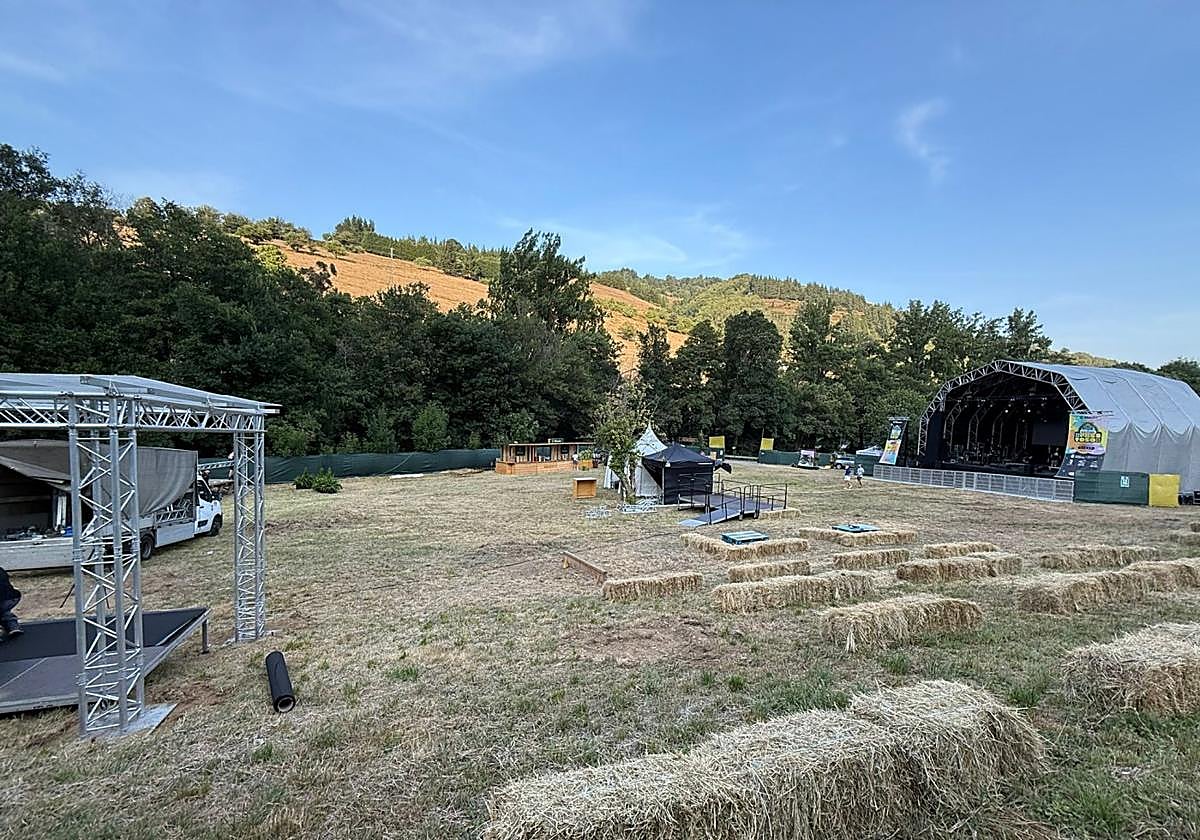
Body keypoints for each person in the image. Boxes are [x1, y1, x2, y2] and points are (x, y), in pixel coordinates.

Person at [0, 566, 22, 640]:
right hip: (13, 597)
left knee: (2, 607)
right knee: (5, 611)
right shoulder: (1, 570)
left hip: (3, 599)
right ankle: (13, 627)